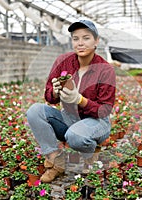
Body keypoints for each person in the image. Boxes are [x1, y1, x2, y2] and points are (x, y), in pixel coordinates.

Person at [26, 20, 116, 183]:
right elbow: (49, 97)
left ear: (96, 41)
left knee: (75, 136)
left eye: (86, 38)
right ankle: (56, 160)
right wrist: (54, 91)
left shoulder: (105, 69)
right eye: (75, 38)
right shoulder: (63, 61)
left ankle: (91, 151)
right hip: (68, 117)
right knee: (35, 111)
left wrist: (80, 100)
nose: (80, 43)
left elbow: (104, 110)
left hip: (96, 121)